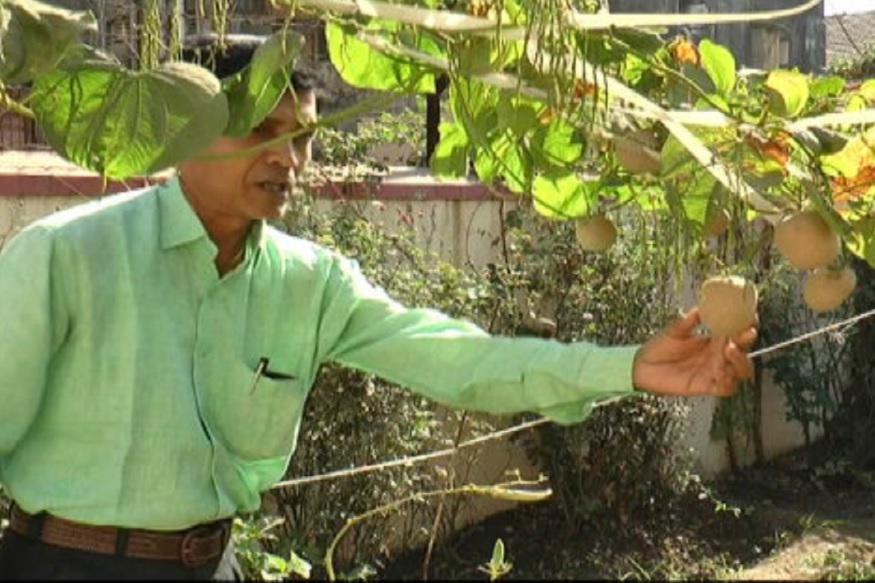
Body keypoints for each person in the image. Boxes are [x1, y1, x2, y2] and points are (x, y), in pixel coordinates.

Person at [0, 34, 756, 580]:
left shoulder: (309, 281)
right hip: (57, 563)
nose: (289, 159)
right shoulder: (66, 256)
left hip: (216, 563)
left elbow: (459, 360)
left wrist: (630, 367)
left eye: (303, 137)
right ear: (186, 129)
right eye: (262, 131)